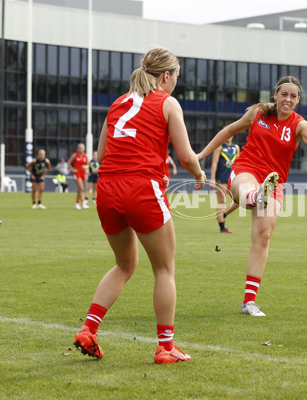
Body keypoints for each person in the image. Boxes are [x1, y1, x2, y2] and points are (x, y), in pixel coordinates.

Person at [73, 47, 206, 364]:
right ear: (165, 76)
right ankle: (165, 347)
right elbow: (187, 156)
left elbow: (101, 156)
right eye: (175, 77)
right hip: (141, 189)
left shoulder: (117, 103)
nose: (175, 84)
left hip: (107, 190)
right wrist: (199, 173)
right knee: (164, 269)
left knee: (124, 265)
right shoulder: (168, 102)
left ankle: (89, 329)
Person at [198, 75, 307, 317]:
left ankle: (249, 302)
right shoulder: (258, 113)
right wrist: (199, 156)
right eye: (284, 94)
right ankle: (254, 196)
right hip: (246, 169)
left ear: (298, 100)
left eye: (293, 96)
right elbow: (228, 130)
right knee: (246, 187)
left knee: (264, 236)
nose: (287, 99)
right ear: (276, 95)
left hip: (274, 181)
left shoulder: (300, 125)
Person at [209, 137, 240, 233]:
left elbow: (239, 163)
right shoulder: (219, 147)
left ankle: (223, 215)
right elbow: (214, 163)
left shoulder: (236, 147)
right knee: (221, 201)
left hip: (232, 177)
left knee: (240, 199)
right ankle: (222, 227)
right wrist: (212, 178)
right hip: (221, 177)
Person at [68, 143, 89, 209]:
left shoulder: (85, 156)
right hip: (77, 174)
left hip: (83, 173)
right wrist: (72, 169)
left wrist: (86, 167)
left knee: (80, 189)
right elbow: (69, 162)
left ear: (84, 148)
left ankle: (77, 203)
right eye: (79, 147)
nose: (81, 149)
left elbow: (88, 164)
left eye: (82, 148)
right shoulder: (75, 155)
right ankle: (83, 203)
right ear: (78, 148)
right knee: (81, 188)